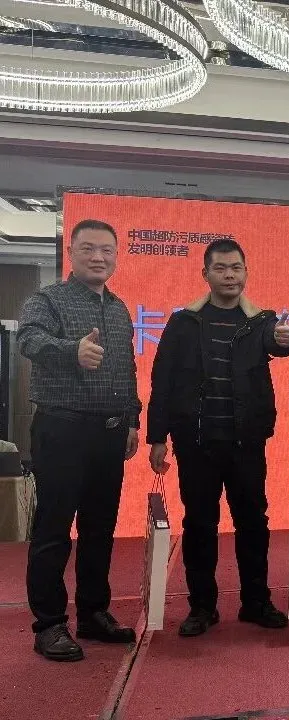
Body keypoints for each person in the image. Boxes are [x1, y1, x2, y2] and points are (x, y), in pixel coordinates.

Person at [147, 239, 289, 637]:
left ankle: (256, 602)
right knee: (199, 524)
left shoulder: (262, 322)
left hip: (246, 443)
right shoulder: (184, 323)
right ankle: (202, 607)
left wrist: (285, 340)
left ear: (246, 273)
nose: (229, 275)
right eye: (221, 268)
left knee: (253, 522)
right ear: (206, 274)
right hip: (196, 443)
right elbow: (162, 380)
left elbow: (279, 342)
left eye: (236, 268)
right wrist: (157, 436)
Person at [19, 219, 141, 662]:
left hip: (109, 432)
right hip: (62, 429)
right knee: (53, 530)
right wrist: (71, 350)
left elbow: (126, 368)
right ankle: (49, 624)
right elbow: (28, 340)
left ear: (116, 255)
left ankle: (93, 613)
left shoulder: (119, 308)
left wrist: (132, 420)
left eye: (107, 250)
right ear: (71, 252)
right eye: (88, 248)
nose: (98, 257)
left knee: (99, 529)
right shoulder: (48, 299)